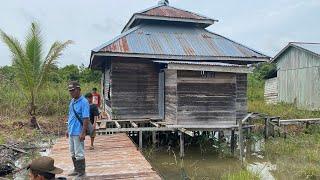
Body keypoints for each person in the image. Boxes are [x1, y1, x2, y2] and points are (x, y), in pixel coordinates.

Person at [66, 81, 90, 177]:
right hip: (71, 130)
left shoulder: (84, 102)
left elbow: (86, 118)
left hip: (78, 131)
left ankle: (81, 173)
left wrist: (83, 132)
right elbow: (70, 116)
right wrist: (67, 129)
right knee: (72, 151)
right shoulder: (72, 101)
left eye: (73, 90)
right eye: (70, 91)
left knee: (79, 153)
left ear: (79, 90)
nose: (71, 92)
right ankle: (76, 169)